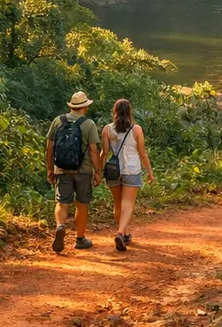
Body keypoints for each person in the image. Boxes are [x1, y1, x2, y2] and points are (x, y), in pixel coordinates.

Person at [45, 91, 103, 252]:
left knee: (62, 202)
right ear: (85, 107)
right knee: (82, 205)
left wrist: (50, 169)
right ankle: (80, 239)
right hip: (83, 171)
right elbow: (93, 150)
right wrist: (98, 171)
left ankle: (60, 225)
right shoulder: (88, 124)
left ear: (71, 106)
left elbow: (49, 147)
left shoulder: (58, 121)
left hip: (62, 169)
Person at [101, 98, 155, 253]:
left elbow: (104, 152)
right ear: (130, 111)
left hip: (113, 171)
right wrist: (150, 173)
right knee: (128, 204)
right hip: (132, 170)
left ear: (114, 111)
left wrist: (99, 171)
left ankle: (124, 234)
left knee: (118, 204)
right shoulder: (136, 129)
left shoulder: (107, 129)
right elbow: (143, 154)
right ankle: (120, 233)